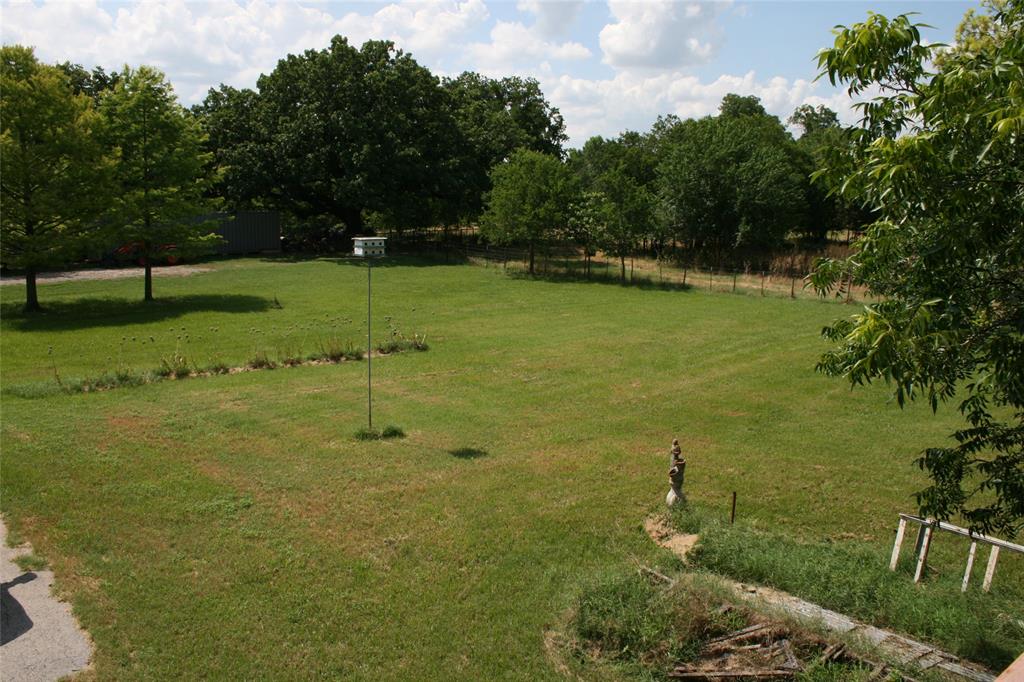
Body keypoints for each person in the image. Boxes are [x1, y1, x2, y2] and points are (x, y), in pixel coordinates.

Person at [666, 438, 686, 506]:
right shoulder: (673, 459)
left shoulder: (676, 460)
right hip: (675, 488)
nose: (676, 452)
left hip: (676, 485)